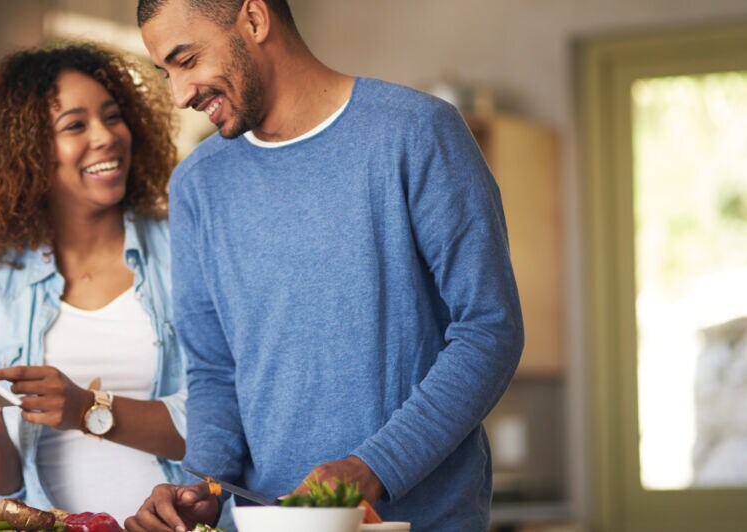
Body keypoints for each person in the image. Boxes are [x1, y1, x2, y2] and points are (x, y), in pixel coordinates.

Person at [126, 1, 524, 531]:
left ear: (254, 18)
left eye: (188, 58)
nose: (179, 94)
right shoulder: (198, 185)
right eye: (166, 71)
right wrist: (202, 485)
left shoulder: (417, 133)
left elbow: (488, 330)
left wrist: (373, 468)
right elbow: (215, 370)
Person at [0, 42, 187, 522]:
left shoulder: (186, 253)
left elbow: (221, 427)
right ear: (24, 153)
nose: (107, 136)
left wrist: (87, 409)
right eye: (75, 126)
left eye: (112, 116)